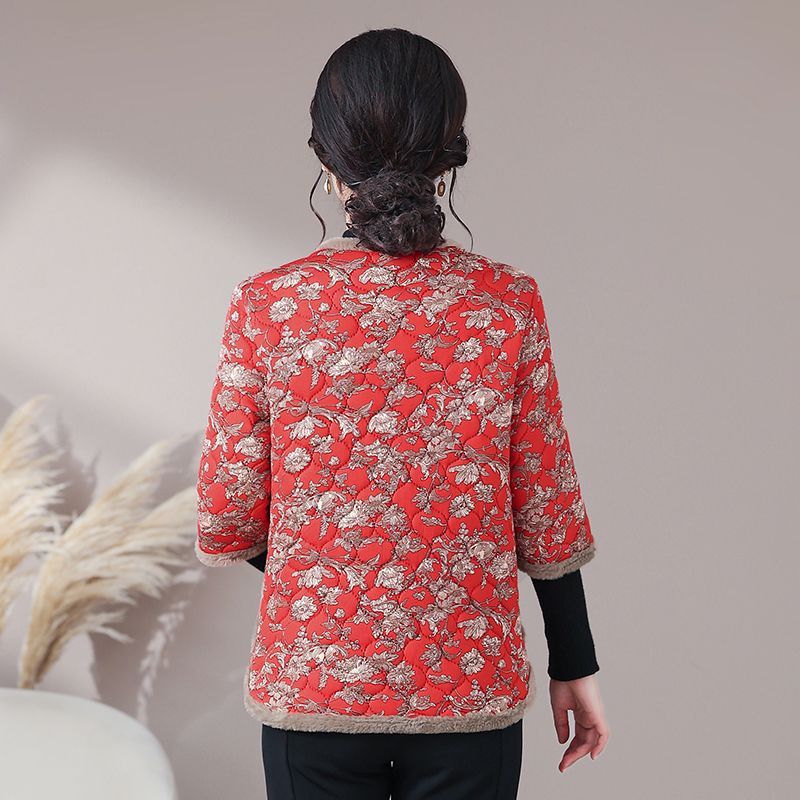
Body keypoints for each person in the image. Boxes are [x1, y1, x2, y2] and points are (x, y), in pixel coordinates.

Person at [195, 27, 610, 800]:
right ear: (449, 156)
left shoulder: (268, 305)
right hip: (471, 690)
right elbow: (546, 502)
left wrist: (338, 576)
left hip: (315, 690)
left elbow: (226, 516)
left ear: (326, 160)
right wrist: (575, 662)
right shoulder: (505, 304)